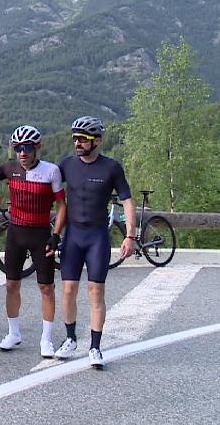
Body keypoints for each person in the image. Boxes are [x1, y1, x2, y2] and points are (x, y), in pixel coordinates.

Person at [55, 116, 137, 368]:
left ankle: (95, 347)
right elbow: (45, 186)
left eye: (83, 139)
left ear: (97, 141)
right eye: (75, 138)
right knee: (68, 290)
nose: (78, 143)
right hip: (73, 236)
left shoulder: (111, 168)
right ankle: (70, 339)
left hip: (97, 237)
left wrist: (130, 235)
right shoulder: (66, 164)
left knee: (96, 291)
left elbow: (127, 201)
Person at [0, 125, 66, 359]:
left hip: (41, 235)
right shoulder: (10, 168)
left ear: (37, 147)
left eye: (27, 148)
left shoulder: (51, 171)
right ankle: (14, 334)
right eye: (18, 148)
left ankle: (46, 339)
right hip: (15, 235)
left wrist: (56, 234)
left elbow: (62, 205)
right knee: (11, 285)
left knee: (46, 288)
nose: (22, 152)